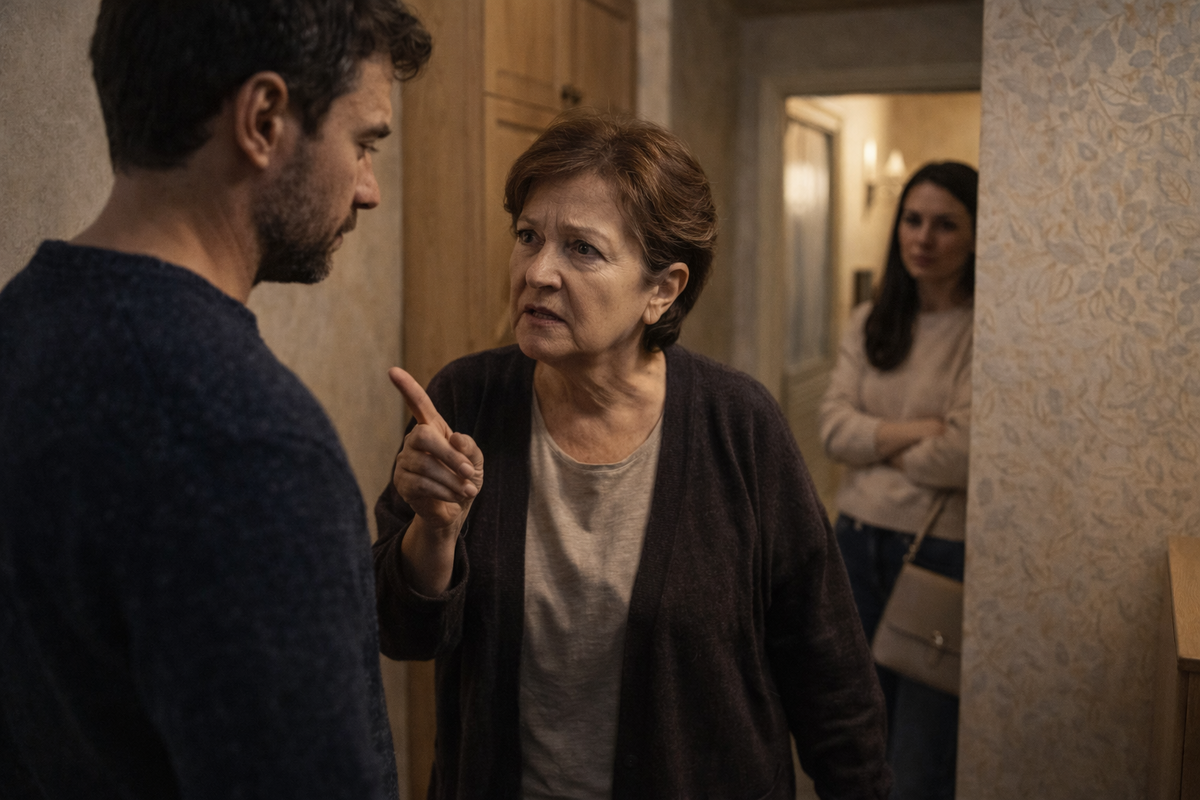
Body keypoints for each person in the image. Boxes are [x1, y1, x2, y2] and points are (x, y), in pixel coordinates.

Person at [373, 109, 891, 800]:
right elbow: (399, 631)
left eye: (582, 249)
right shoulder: (466, 400)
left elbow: (830, 671)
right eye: (528, 237)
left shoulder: (740, 425)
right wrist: (433, 531)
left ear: (662, 289)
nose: (538, 272)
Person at [0, 2, 430, 798]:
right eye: (364, 143)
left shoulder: (17, 330)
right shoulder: (248, 442)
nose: (369, 191)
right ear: (263, 120)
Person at [819, 161, 978, 800]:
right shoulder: (868, 321)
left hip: (939, 550)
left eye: (945, 224)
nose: (924, 238)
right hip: (854, 540)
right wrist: (920, 430)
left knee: (920, 753)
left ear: (976, 233)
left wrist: (877, 444)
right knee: (855, 735)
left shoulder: (983, 330)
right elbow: (833, 430)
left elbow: (965, 453)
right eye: (912, 220)